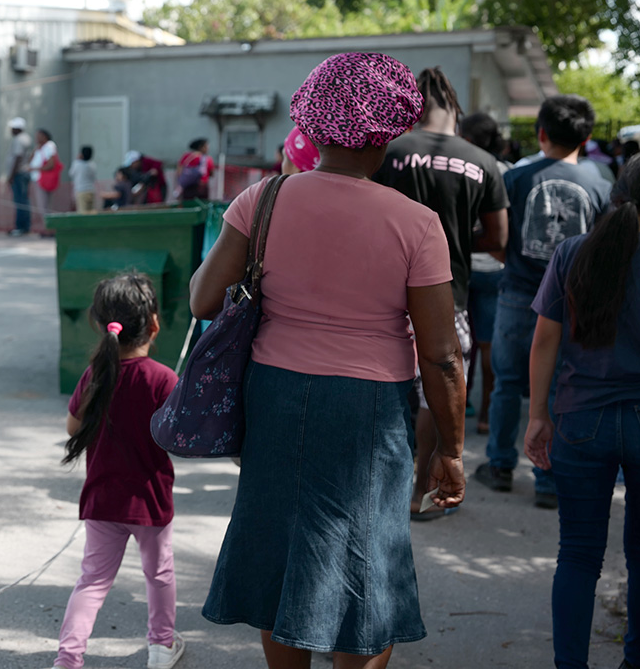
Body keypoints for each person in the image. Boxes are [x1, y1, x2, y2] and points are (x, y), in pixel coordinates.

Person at [191, 52, 465, 668]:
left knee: (282, 556)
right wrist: (449, 448)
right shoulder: (417, 225)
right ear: (389, 129)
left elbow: (204, 299)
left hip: (276, 396)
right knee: (368, 565)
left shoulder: (260, 201)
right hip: (370, 410)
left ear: (310, 120)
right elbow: (442, 356)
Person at [523, 150, 640, 669]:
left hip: (581, 421)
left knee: (579, 554)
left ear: (618, 196)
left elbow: (544, 340)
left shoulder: (573, 251)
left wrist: (537, 414)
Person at [372, 67, 508, 521]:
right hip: (451, 294)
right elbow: (499, 239)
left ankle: (373, 484)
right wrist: (455, 238)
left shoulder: (390, 153)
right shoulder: (483, 162)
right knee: (437, 390)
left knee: (382, 384)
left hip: (384, 294)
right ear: (455, 109)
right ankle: (419, 490)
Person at [475, 94, 613, 508]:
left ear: (541, 133)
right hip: (573, 301)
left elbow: (499, 239)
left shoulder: (516, 178)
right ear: (586, 137)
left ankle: (500, 464)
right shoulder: (600, 186)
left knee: (506, 383)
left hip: (520, 292)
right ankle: (548, 477)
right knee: (558, 389)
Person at [47, 273, 184, 669]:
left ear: (99, 323)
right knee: (159, 574)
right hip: (151, 502)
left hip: (102, 499)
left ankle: (68, 660)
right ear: (154, 324)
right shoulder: (162, 378)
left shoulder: (96, 374)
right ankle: (160, 649)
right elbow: (179, 438)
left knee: (91, 581)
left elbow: (73, 427)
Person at [458, 112, 512, 434]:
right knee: (489, 344)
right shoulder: (505, 171)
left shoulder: (459, 164)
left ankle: (456, 404)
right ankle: (487, 416)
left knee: (459, 343)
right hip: (495, 267)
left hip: (462, 266)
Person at [7, 117, 33, 235]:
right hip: (25, 172)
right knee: (24, 200)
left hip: (19, 173)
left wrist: (11, 175)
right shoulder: (27, 138)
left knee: (20, 201)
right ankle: (25, 226)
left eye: (13, 127)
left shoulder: (18, 139)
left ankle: (20, 227)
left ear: (18, 128)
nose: (11, 130)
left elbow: (18, 157)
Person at [31, 128, 60, 224]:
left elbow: (51, 164)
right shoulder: (40, 148)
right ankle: (47, 227)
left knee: (43, 206)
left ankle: (48, 228)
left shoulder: (49, 146)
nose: (37, 138)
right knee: (43, 206)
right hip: (38, 179)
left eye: (39, 136)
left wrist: (35, 169)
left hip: (43, 179)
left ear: (45, 136)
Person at [69, 146, 97, 213]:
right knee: (91, 211)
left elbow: (71, 173)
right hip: (91, 190)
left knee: (82, 212)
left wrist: (77, 160)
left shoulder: (77, 164)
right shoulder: (92, 164)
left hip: (81, 191)